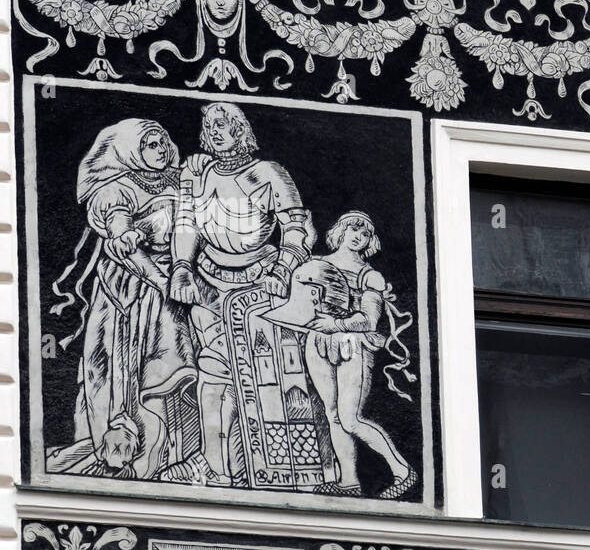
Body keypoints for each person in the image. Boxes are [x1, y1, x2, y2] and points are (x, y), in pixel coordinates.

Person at [162, 102, 316, 487]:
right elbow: (186, 224)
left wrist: (283, 270)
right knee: (212, 378)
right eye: (209, 124)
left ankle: (266, 468)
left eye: (223, 123)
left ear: (241, 129)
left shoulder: (267, 173)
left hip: (260, 290)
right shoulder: (197, 175)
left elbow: (296, 229)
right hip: (209, 286)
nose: (215, 130)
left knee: (264, 382)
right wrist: (182, 267)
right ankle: (215, 468)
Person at [47, 119, 197, 479]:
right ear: (129, 149)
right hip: (127, 294)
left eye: (163, 143)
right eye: (150, 145)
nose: (160, 152)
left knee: (175, 367)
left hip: (175, 283)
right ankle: (132, 451)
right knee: (121, 370)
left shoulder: (181, 183)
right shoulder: (114, 191)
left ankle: (178, 454)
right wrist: (163, 280)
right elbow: (125, 246)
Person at [286, 211, 416, 499]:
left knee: (350, 419)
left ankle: (402, 470)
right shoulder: (317, 264)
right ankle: (348, 481)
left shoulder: (370, 276)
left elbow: (369, 320)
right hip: (317, 341)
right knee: (332, 415)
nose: (359, 236)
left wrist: (336, 323)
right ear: (340, 231)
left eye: (365, 233)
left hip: (351, 345)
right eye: (354, 229)